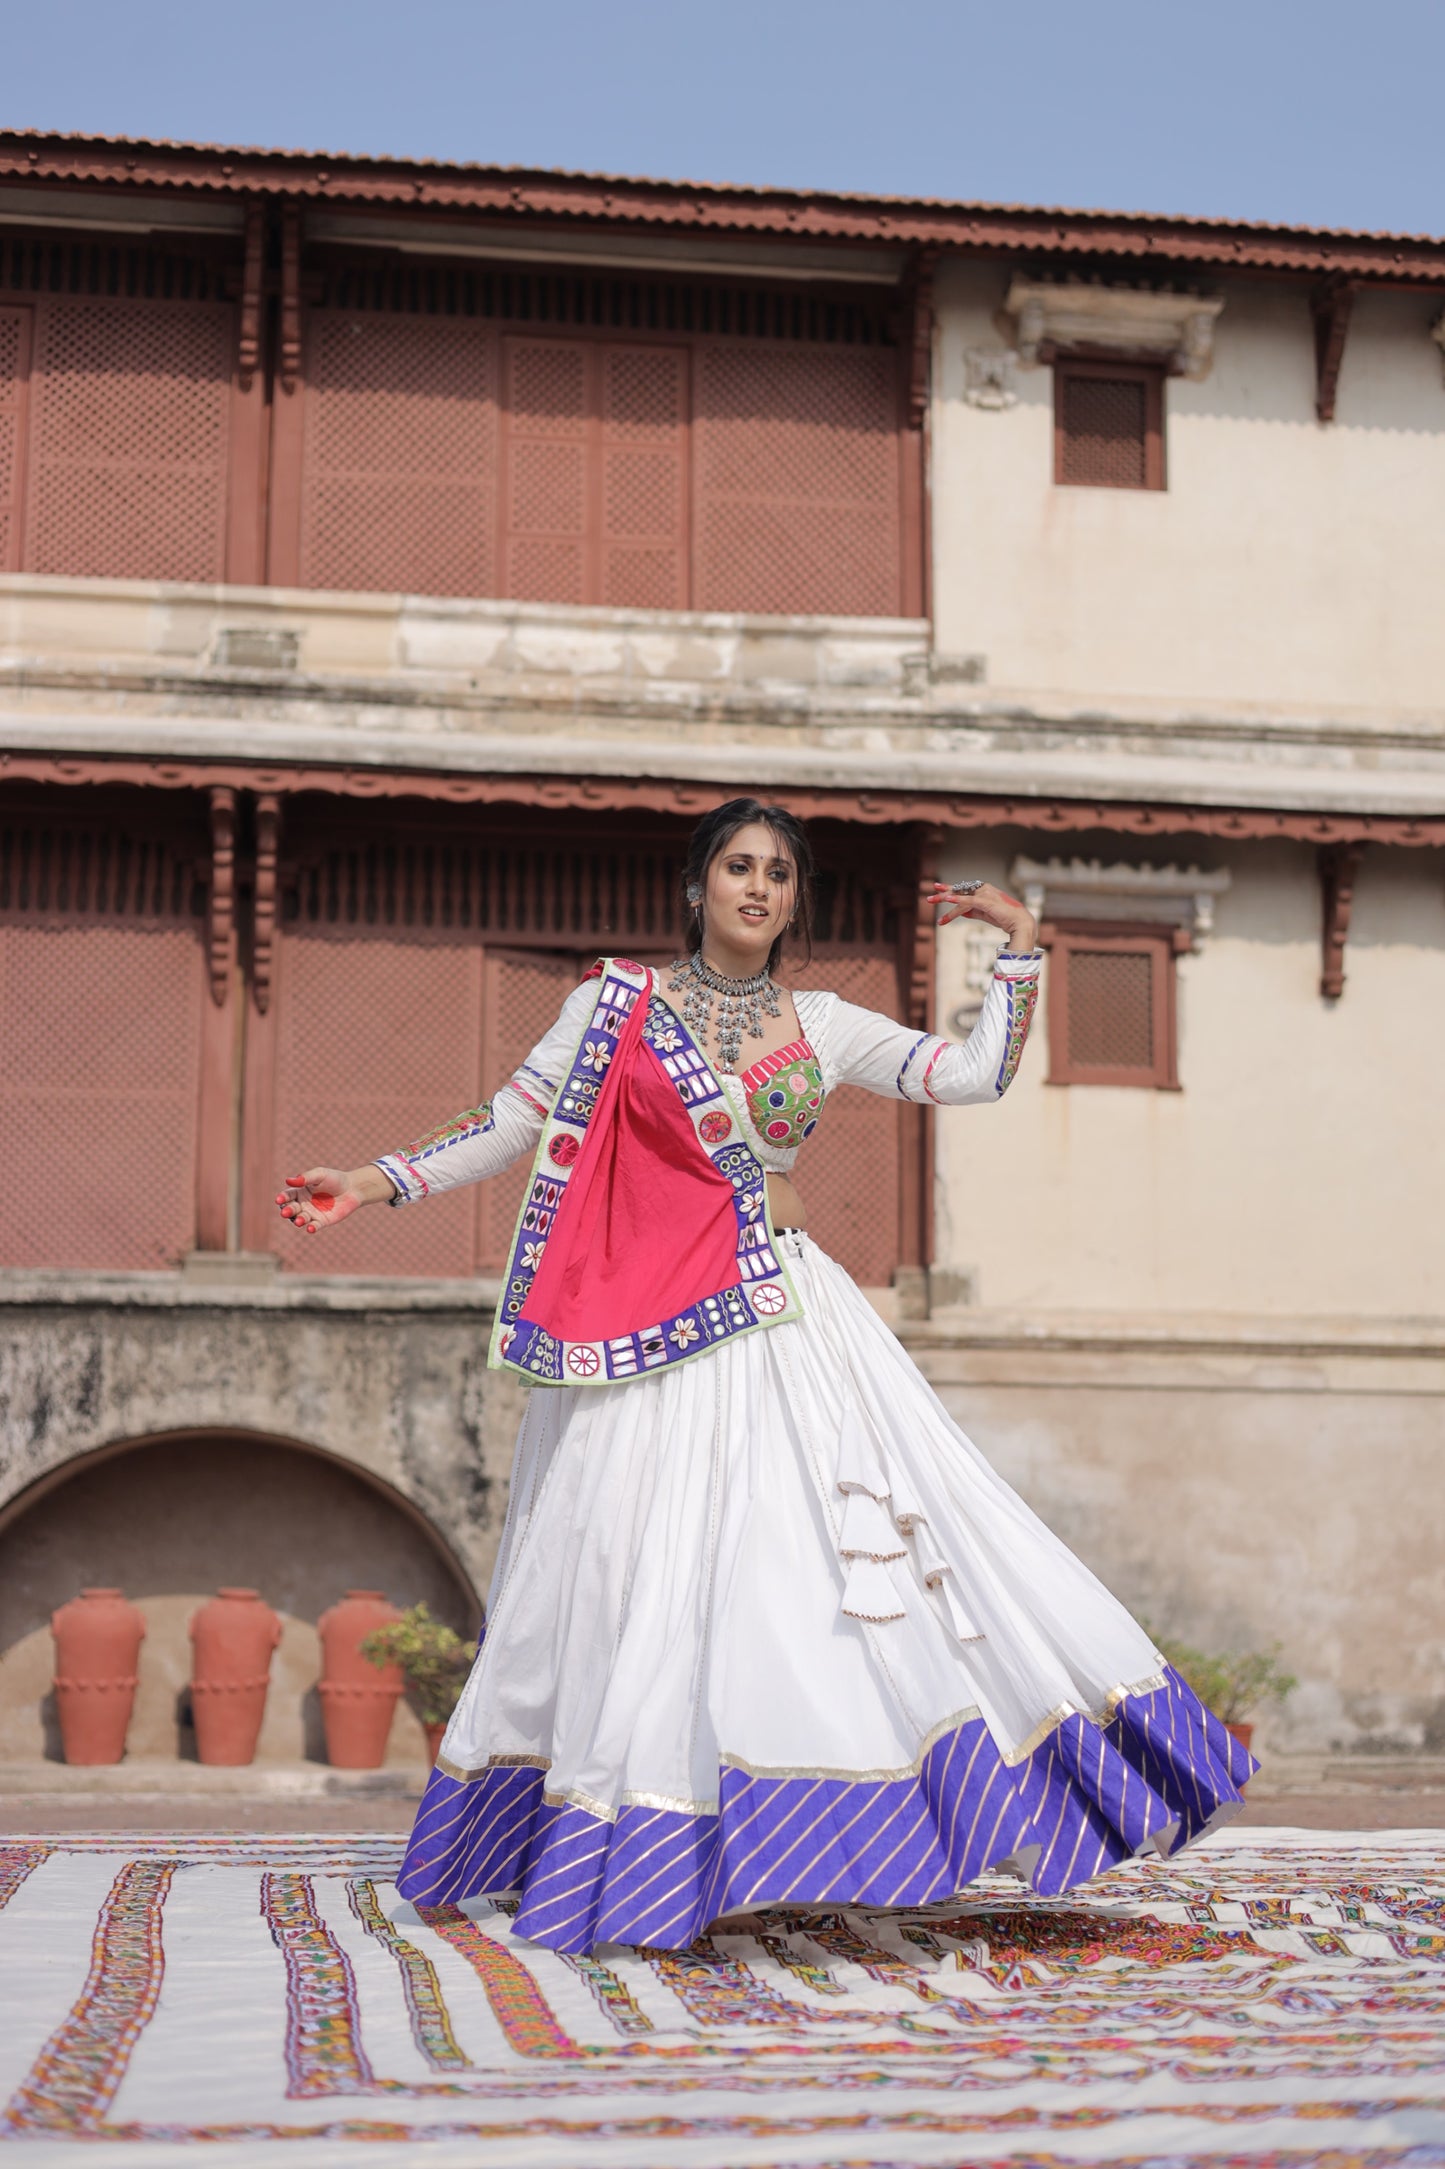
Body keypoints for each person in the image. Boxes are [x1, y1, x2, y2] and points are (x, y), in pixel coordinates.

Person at [278, 797, 1252, 1957]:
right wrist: (372, 1183)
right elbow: (511, 1124)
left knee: (808, 1579)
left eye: (778, 874)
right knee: (636, 1578)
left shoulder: (822, 1023)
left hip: (786, 1318)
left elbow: (972, 1077)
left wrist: (1017, 952)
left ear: (794, 899)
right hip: (649, 1336)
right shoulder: (610, 1009)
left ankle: (815, 1834)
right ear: (695, 888)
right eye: (736, 867)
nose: (756, 887)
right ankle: (641, 1840)